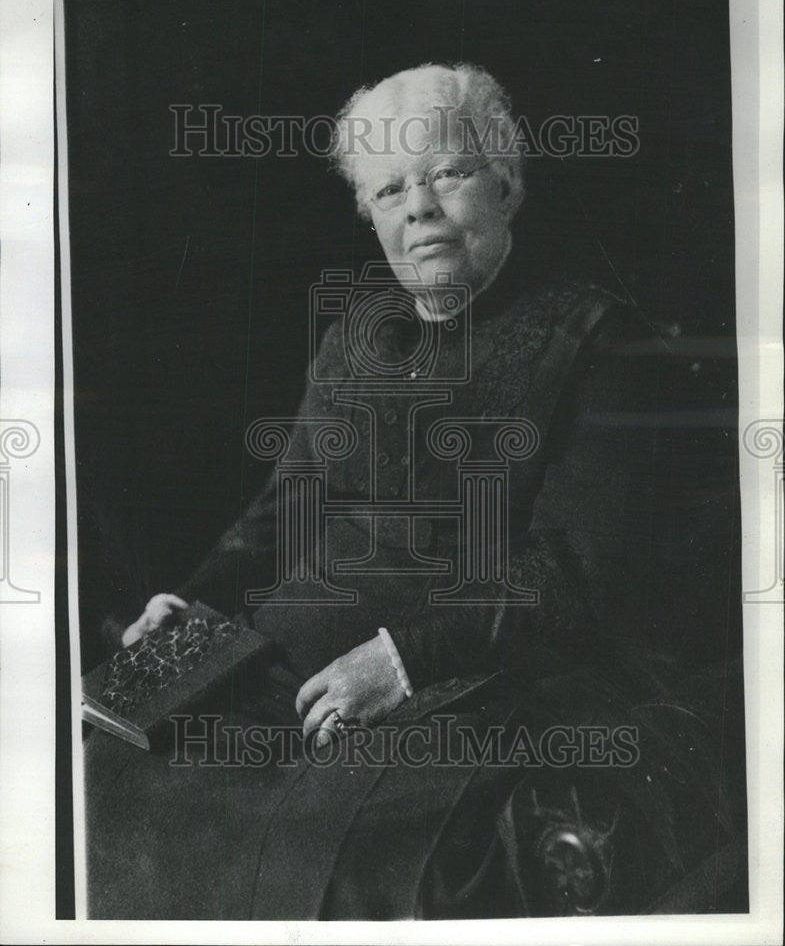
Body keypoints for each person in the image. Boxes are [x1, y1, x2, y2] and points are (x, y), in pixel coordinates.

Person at [90, 63, 746, 919]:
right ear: (371, 216)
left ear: (505, 184)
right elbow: (287, 507)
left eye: (445, 173)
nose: (419, 208)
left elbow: (573, 578)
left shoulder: (600, 347)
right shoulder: (356, 338)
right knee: (110, 774)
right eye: (391, 189)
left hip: (481, 678)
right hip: (296, 663)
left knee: (365, 857)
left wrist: (400, 662)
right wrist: (190, 602)